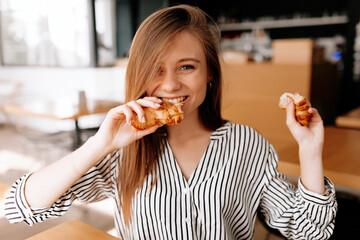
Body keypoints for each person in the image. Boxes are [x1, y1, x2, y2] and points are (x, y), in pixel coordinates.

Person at [5, 5, 337, 240]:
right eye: (156, 68)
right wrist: (98, 145)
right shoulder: (122, 153)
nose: (169, 85)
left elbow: (310, 231)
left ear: (209, 74)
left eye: (187, 67)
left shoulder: (246, 145)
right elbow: (22, 207)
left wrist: (310, 150)